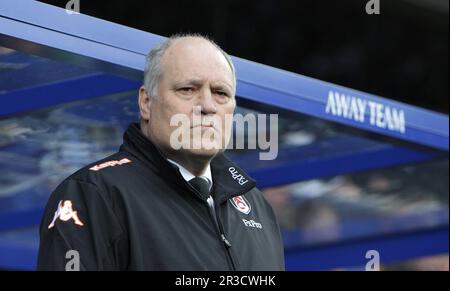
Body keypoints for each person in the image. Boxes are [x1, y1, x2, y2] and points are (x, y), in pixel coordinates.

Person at [37, 34, 285, 271]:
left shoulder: (257, 206)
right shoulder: (92, 195)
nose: (208, 106)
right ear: (146, 102)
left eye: (221, 93)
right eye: (187, 89)